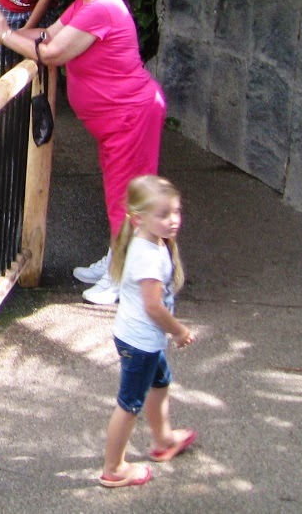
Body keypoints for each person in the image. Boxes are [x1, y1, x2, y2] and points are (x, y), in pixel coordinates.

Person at [0, 0, 166, 304]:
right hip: (118, 119)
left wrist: (4, 31)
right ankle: (118, 259)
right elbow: (47, 33)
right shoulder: (87, 2)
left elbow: (51, 53)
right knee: (119, 194)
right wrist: (9, 35)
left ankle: (125, 280)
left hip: (130, 116)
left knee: (127, 198)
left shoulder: (102, 8)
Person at [99, 175, 197, 488]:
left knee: (160, 382)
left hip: (141, 340)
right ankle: (113, 468)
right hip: (140, 343)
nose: (173, 221)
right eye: (164, 214)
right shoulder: (149, 256)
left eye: (176, 212)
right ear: (140, 218)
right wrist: (179, 330)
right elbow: (154, 308)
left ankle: (163, 439)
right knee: (129, 405)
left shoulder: (146, 239)